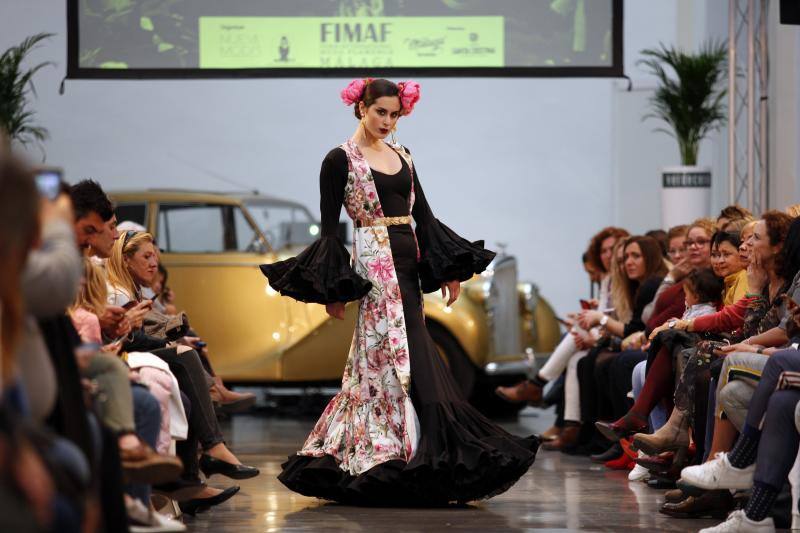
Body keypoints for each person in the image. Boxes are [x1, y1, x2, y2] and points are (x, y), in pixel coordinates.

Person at [260, 78, 538, 505]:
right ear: (361, 108)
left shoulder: (404, 156)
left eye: (394, 114)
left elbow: (423, 217)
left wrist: (450, 271)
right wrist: (334, 290)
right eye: (380, 113)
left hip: (408, 263)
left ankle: (417, 449)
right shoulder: (339, 160)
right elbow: (331, 230)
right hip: (373, 265)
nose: (388, 121)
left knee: (409, 350)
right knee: (387, 354)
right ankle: (393, 452)